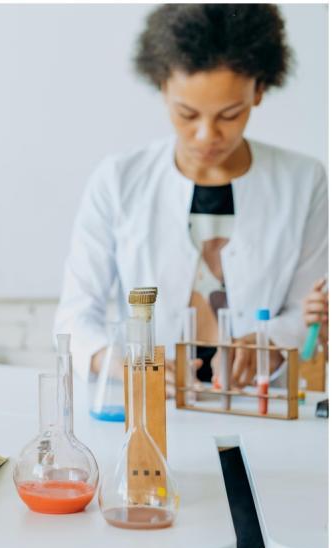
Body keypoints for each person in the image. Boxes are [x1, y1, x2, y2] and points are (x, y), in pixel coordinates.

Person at [54, 4, 328, 394]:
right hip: (151, 406)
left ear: (259, 90)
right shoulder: (118, 180)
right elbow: (75, 317)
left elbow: (307, 311)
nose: (206, 136)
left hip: (256, 403)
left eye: (230, 115)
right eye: (187, 114)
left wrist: (266, 343)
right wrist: (126, 366)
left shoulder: (303, 181)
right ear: (163, 87)